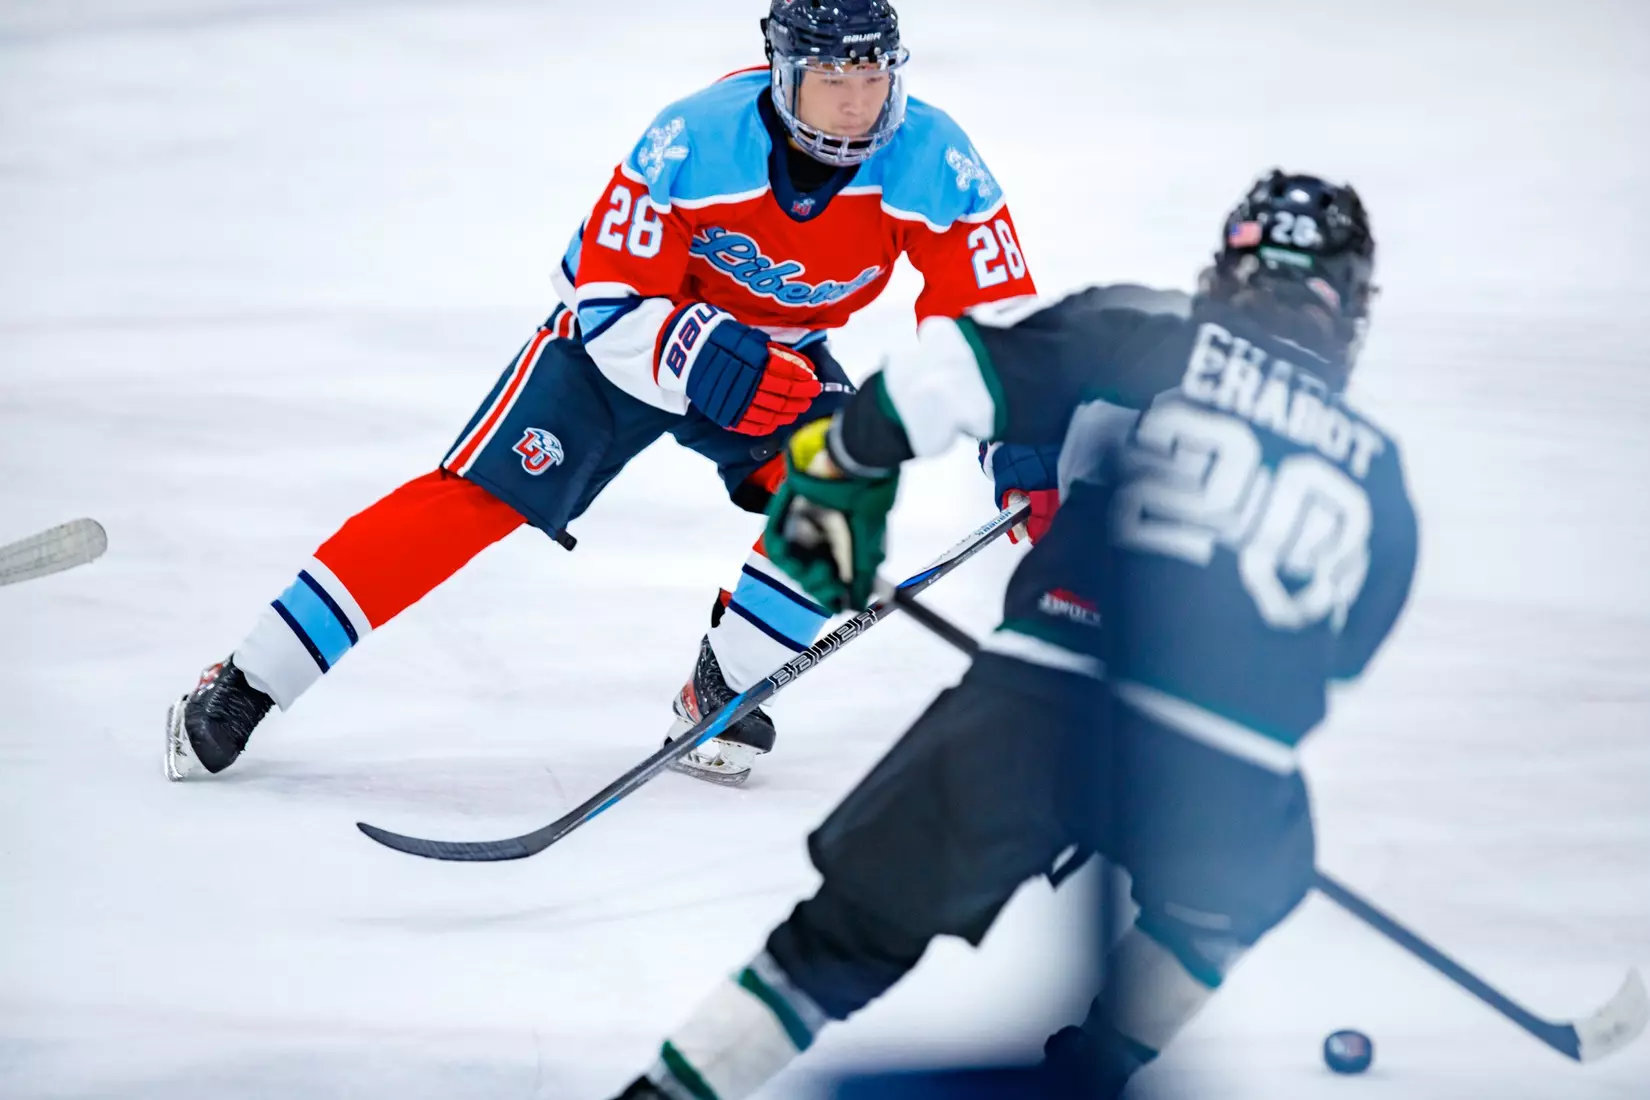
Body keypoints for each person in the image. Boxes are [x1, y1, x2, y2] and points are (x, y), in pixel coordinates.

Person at [608, 170, 1419, 1099]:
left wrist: (844, 466)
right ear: (1348, 307)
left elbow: (940, 373)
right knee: (1233, 896)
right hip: (1228, 758)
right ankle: (1098, 1070)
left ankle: (674, 1093)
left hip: (1042, 698)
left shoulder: (1149, 338)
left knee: (845, 938)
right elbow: (1343, 655)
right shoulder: (1381, 475)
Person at [164, 0, 1040, 787]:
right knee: (470, 502)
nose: (857, 100)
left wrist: (1030, 450)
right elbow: (603, 299)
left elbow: (990, 326)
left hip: (778, 359)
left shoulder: (936, 157)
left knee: (837, 491)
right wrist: (695, 353)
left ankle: (723, 688)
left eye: (872, 72)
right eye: (831, 77)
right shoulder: (693, 138)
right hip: (623, 350)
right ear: (783, 74)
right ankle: (249, 678)